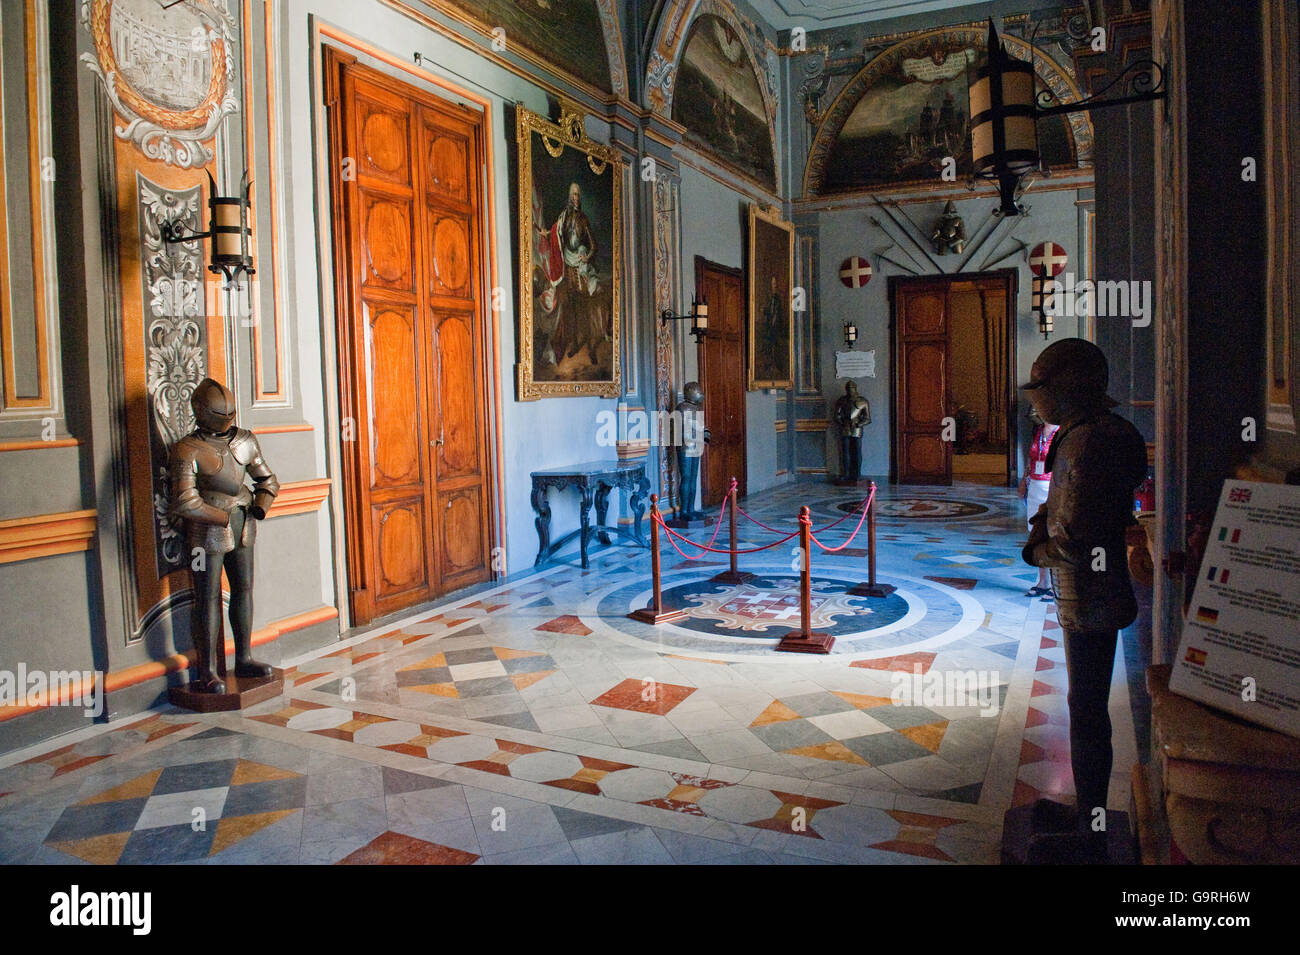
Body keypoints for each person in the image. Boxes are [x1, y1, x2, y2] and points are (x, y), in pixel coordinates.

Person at [1019, 338, 1147, 864]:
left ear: (1067, 388)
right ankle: (1087, 813)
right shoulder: (1102, 432)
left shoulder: (1086, 442)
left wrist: (1036, 550)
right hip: (1097, 586)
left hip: (1090, 592)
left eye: (1042, 389)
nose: (1035, 400)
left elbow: (1072, 539)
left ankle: (1091, 834)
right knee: (1086, 706)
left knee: (1087, 709)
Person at [170, 379, 280, 694]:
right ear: (201, 412)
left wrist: (259, 506)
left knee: (244, 590)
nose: (227, 418)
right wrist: (220, 517)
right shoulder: (187, 449)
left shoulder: (244, 440)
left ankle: (243, 657)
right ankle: (207, 670)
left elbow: (267, 479)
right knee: (206, 599)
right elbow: (185, 500)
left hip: (244, 522)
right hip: (206, 528)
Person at [1019, 411, 1059, 600]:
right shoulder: (1038, 430)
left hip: (1052, 488)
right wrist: (1023, 482)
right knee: (1037, 534)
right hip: (1035, 486)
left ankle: (1054, 584)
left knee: (1052, 535)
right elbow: (1031, 458)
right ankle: (1042, 582)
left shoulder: (1061, 433)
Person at [834, 381, 871, 483]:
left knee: (857, 452)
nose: (850, 390)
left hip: (856, 428)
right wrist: (841, 422)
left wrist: (859, 424)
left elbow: (867, 418)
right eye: (848, 388)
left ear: (855, 388)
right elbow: (837, 415)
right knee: (845, 452)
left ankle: (857, 474)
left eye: (852, 387)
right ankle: (845, 474)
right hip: (845, 428)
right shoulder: (841, 401)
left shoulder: (863, 401)